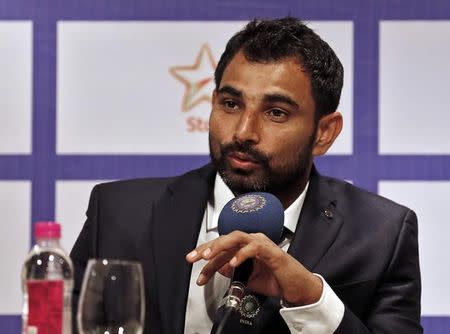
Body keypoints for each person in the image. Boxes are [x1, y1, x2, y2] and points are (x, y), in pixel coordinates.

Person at [71, 17, 422, 334]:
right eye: (231, 104)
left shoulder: (381, 236)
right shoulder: (118, 214)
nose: (243, 132)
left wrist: (312, 301)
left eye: (276, 112)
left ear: (324, 133)